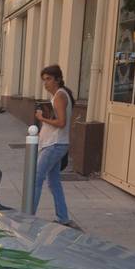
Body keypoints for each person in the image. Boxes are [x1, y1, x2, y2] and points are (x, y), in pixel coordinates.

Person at [33, 64, 77, 228]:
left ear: (58, 79)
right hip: (56, 143)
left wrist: (41, 118)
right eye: (44, 80)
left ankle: (29, 216)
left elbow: (61, 122)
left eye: (49, 79)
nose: (46, 83)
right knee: (54, 182)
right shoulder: (60, 95)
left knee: (36, 179)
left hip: (55, 144)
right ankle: (63, 217)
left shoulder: (59, 96)